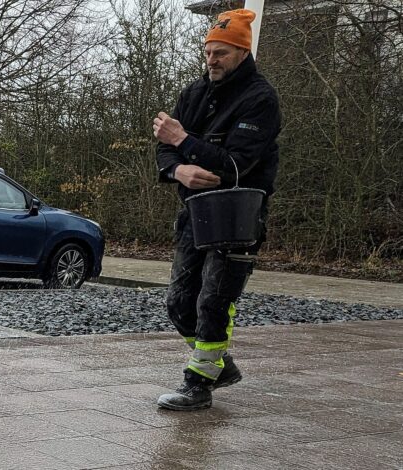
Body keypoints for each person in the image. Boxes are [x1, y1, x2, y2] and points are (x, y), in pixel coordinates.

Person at [152, 8, 281, 411]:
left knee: (213, 300)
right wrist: (178, 169)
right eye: (208, 52)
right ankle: (219, 366)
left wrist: (184, 141)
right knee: (178, 301)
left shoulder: (260, 99)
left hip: (238, 213)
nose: (211, 60)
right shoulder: (193, 94)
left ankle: (198, 383)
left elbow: (236, 165)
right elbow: (163, 147)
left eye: (221, 53)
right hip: (194, 210)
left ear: (242, 52)